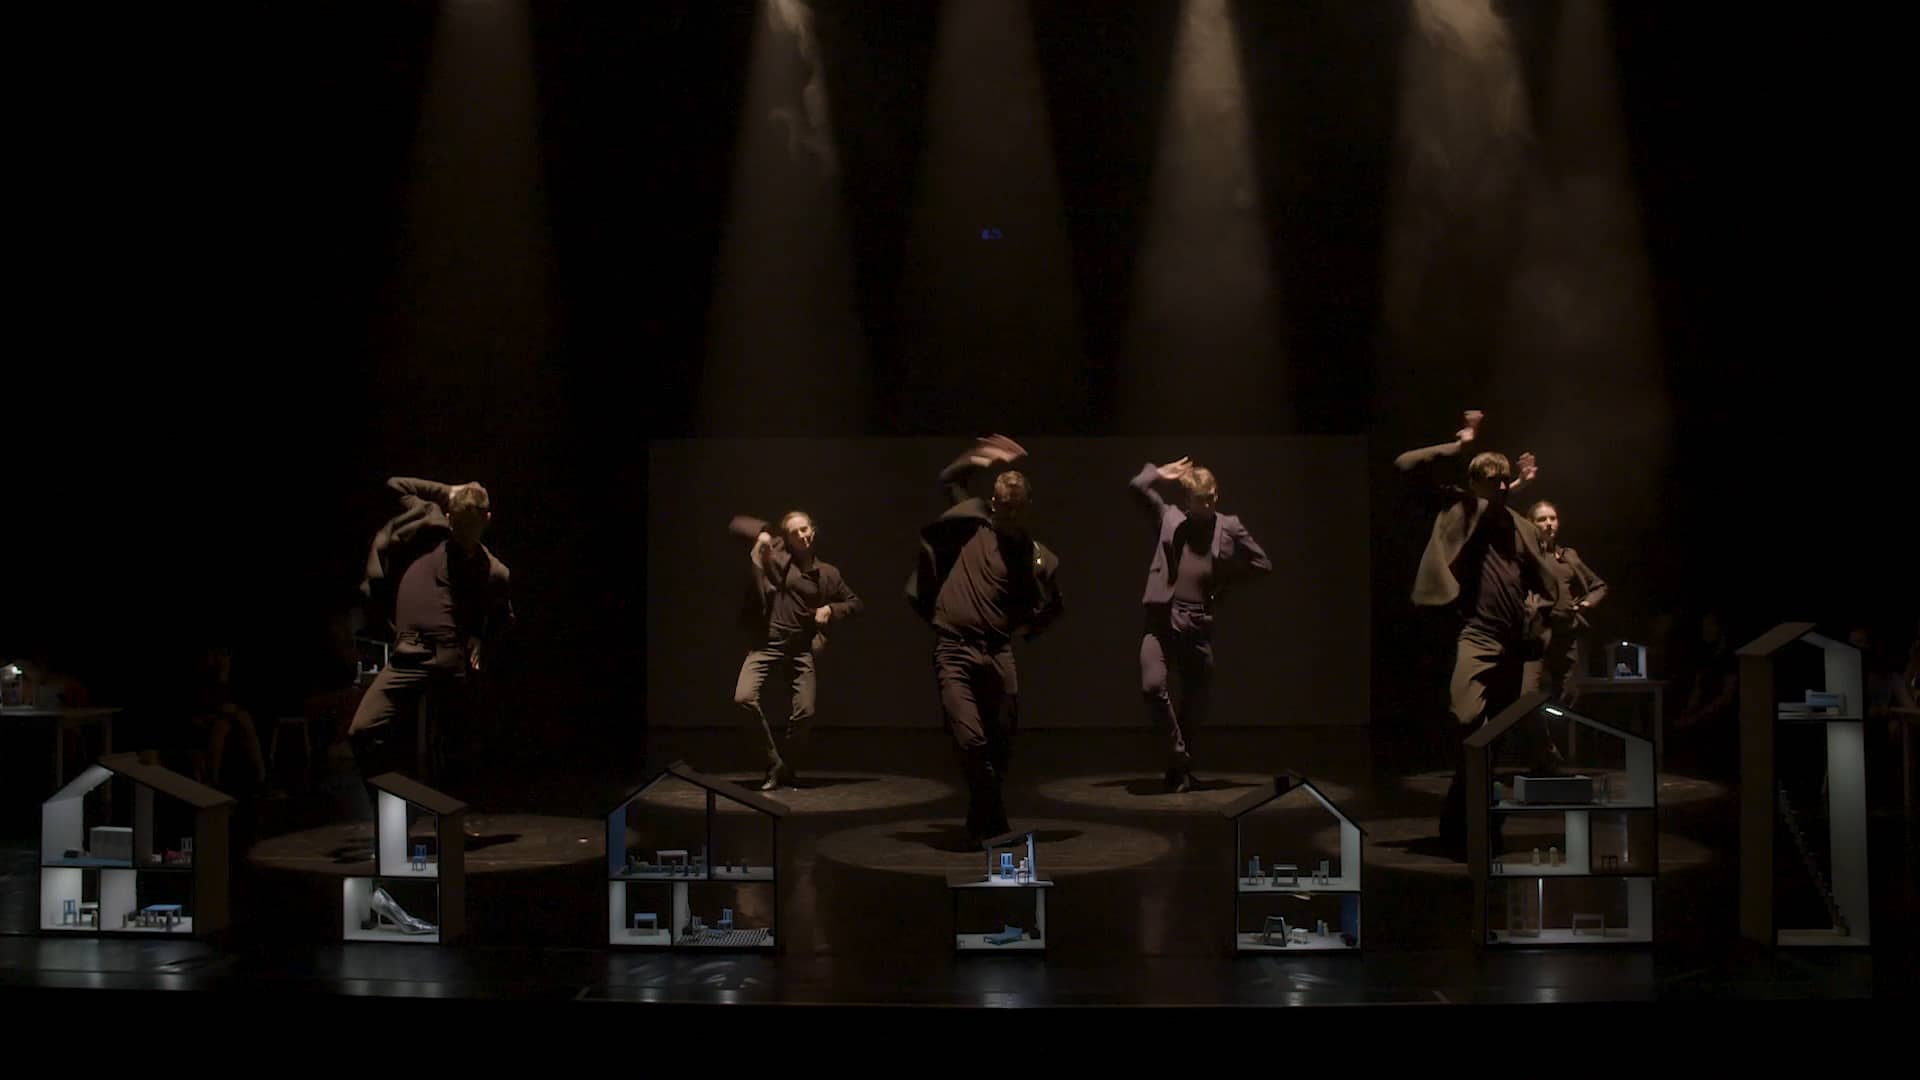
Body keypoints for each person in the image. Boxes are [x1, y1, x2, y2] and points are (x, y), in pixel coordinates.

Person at [1395, 409, 1568, 857]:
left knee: (1490, 742)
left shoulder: (1520, 526)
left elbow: (1548, 583)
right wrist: (1462, 443)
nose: (1504, 487)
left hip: (1515, 645)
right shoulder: (1460, 510)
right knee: (1468, 719)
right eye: (1495, 481)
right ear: (1475, 484)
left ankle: (1467, 827)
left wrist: (1539, 612)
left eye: (1507, 481)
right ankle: (1470, 821)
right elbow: (1406, 465)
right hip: (1477, 636)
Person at [906, 435, 1064, 848]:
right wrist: (980, 456)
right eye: (1003, 506)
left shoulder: (1033, 555)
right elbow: (948, 479)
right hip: (954, 650)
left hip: (997, 653)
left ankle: (982, 821)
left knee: (1002, 742)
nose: (1008, 513)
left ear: (1026, 507)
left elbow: (1053, 603)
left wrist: (1031, 626)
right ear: (993, 503)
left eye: (1016, 507)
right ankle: (996, 823)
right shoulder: (971, 525)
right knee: (972, 739)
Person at [349, 478, 513, 797]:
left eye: (470, 523)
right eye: (458, 522)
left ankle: (451, 814)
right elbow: (395, 486)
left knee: (455, 750)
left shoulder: (493, 570)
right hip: (408, 654)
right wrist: (448, 491)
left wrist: (480, 638)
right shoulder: (430, 527)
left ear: (486, 520)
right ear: (450, 517)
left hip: (449, 659)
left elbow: (503, 618)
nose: (462, 530)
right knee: (363, 730)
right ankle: (396, 804)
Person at [1130, 457, 1271, 791]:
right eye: (1200, 500)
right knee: (1152, 686)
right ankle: (1179, 756)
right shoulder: (1169, 517)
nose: (1208, 505)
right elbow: (1137, 487)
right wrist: (1159, 474)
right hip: (1162, 619)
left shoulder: (1229, 525)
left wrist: (1221, 582)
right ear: (1187, 500)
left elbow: (1262, 563)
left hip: (1197, 623)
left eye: (1211, 498)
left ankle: (1178, 770)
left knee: (1196, 701)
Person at [728, 509, 863, 790]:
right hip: (768, 643)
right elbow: (738, 523)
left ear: (813, 530)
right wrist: (763, 533)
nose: (802, 535)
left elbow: (855, 602)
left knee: (805, 712)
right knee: (743, 698)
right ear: (787, 538)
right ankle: (773, 762)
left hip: (800, 647)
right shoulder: (778, 557)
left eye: (805, 529)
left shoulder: (828, 573)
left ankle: (785, 766)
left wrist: (831, 608)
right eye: (794, 532)